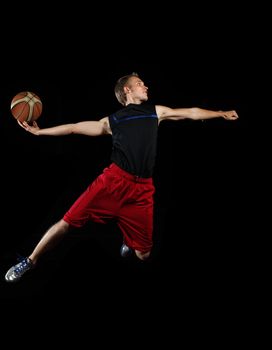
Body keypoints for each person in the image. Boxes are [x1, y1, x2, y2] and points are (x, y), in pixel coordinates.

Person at [4, 72, 239, 282]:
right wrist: (39, 131)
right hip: (113, 183)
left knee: (144, 254)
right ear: (127, 90)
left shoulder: (155, 112)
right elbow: (74, 127)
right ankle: (30, 260)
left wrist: (220, 113)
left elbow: (191, 112)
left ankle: (129, 238)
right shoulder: (113, 121)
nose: (145, 86)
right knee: (66, 222)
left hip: (142, 191)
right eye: (140, 83)